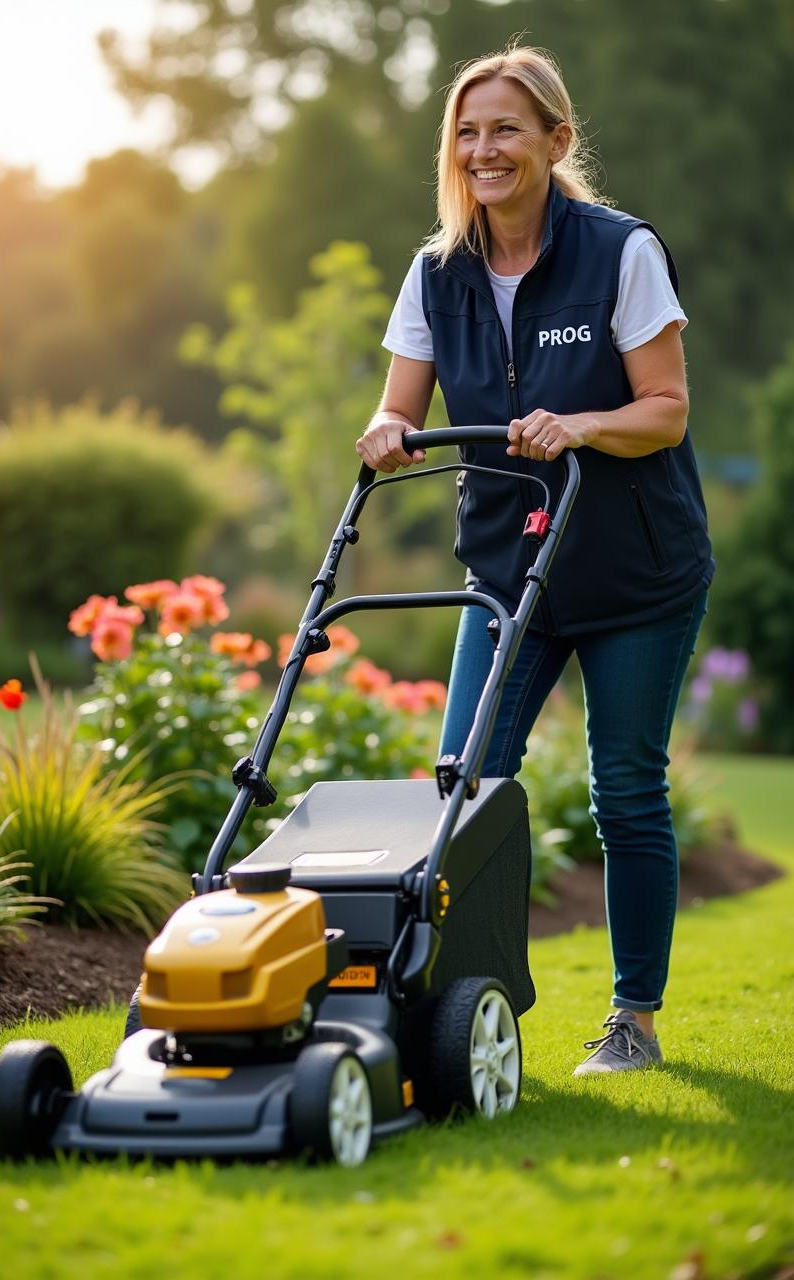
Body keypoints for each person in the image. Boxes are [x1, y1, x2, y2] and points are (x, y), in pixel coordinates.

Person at [355, 43, 714, 1076]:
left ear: (556, 140)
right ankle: (445, 1006)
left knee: (624, 789)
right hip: (510, 570)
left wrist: (582, 423)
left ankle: (632, 1019)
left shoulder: (618, 251)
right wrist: (383, 428)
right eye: (467, 133)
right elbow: (399, 401)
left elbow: (665, 410)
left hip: (633, 571)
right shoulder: (436, 273)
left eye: (505, 128)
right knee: (463, 783)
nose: (483, 149)